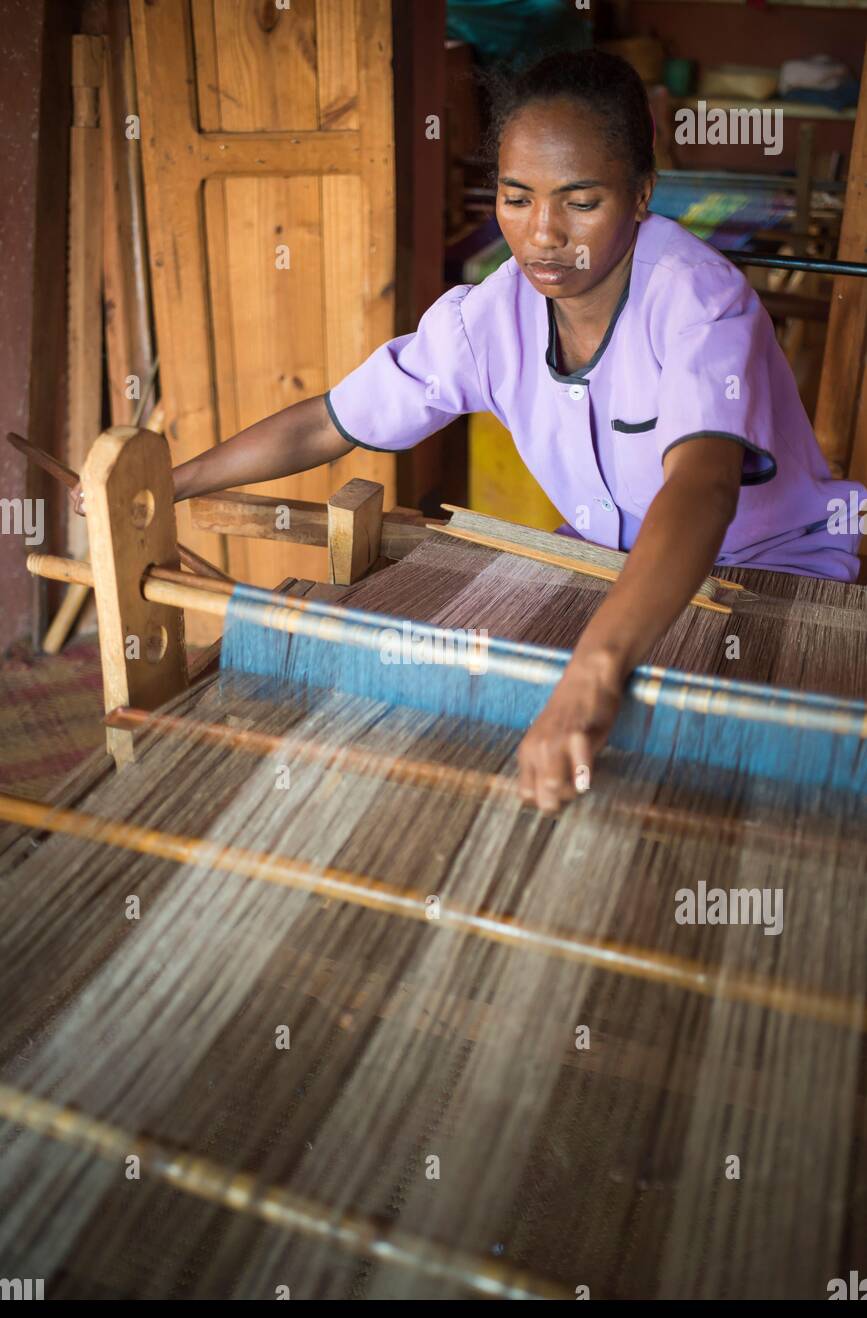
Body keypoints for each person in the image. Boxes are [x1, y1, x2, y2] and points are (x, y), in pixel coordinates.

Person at [73, 51, 866, 816]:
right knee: (487, 753)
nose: (543, 235)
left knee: (726, 793)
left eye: (580, 201)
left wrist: (594, 669)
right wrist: (165, 484)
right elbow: (329, 420)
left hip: (769, 579)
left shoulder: (697, 301)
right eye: (516, 198)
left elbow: (701, 485)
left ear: (640, 196)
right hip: (594, 569)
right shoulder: (490, 316)